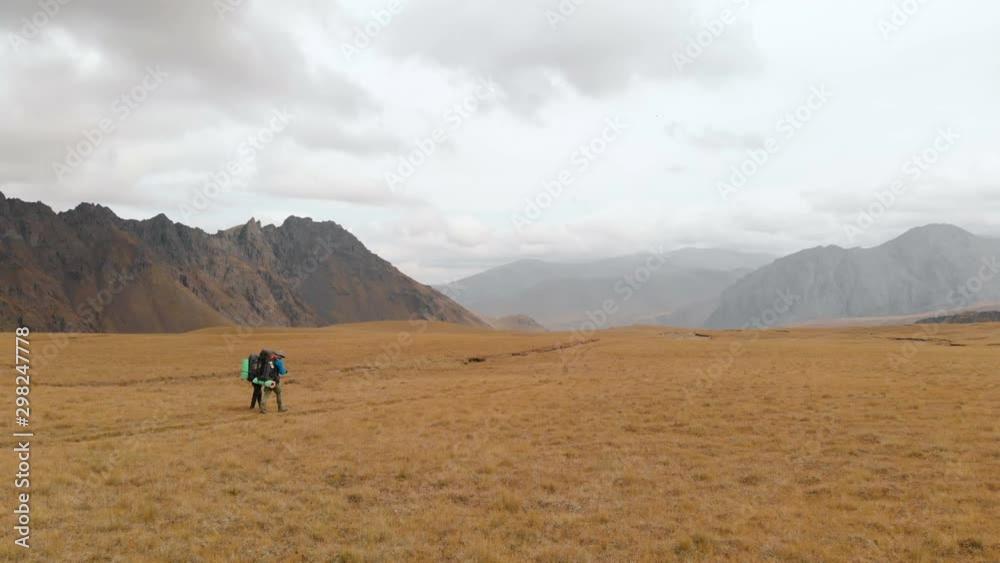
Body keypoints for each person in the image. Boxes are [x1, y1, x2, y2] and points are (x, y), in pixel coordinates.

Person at [255, 350, 288, 414]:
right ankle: (280, 408)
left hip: (267, 380)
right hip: (275, 381)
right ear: (281, 356)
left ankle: (262, 409)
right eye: (282, 357)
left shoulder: (268, 360)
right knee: (278, 393)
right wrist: (285, 371)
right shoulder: (279, 362)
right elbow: (282, 372)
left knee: (266, 394)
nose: (282, 358)